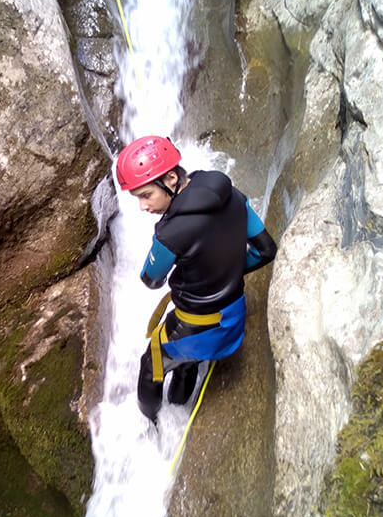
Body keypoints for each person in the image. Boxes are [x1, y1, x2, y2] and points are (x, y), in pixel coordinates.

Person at [116, 134, 277, 422]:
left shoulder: (171, 234)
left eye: (145, 195)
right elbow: (266, 250)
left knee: (151, 364)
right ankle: (178, 409)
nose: (142, 207)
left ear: (171, 179)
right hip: (234, 314)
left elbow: (151, 280)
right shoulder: (232, 194)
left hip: (200, 327)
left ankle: (150, 425)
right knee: (185, 362)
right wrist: (224, 270)